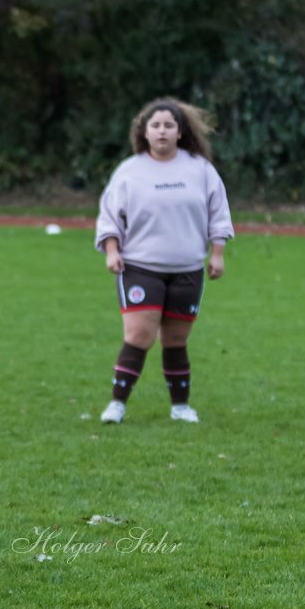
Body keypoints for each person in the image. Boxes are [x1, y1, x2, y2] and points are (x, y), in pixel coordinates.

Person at [94, 97, 234, 425]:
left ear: (180, 132)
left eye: (168, 125)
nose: (161, 131)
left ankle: (180, 407)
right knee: (139, 336)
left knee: (175, 340)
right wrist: (112, 251)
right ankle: (117, 404)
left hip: (187, 270)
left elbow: (219, 212)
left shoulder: (200, 169)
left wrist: (217, 254)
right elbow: (110, 216)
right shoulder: (129, 172)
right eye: (155, 125)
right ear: (143, 132)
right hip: (140, 268)